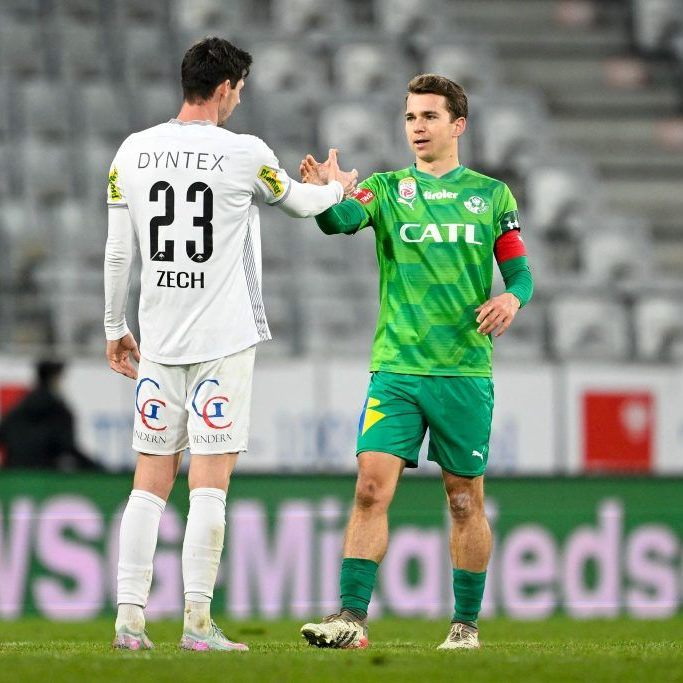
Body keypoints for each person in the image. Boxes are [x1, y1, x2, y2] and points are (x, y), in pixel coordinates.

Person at [104, 37, 357, 652]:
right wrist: (339, 188)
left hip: (159, 340)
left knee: (149, 482)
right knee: (209, 484)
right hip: (224, 339)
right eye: (239, 90)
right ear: (223, 88)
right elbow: (300, 204)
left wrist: (114, 326)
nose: (239, 99)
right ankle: (196, 624)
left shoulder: (131, 152)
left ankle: (129, 621)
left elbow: (117, 251)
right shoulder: (244, 153)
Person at [299, 74, 534, 650]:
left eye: (429, 116)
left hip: (463, 372)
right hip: (397, 369)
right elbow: (338, 223)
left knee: (463, 499)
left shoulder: (492, 196)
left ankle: (465, 626)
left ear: (458, 125)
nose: (417, 127)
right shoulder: (385, 188)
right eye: (410, 117)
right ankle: (350, 619)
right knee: (369, 490)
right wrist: (329, 195)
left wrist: (510, 299)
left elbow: (521, 274)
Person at [0, 359, 99, 471]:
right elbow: (67, 447)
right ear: (55, 378)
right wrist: (97, 468)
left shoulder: (17, 410)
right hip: (45, 475)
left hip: (14, 473)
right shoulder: (60, 412)